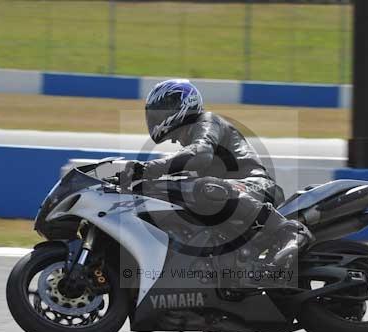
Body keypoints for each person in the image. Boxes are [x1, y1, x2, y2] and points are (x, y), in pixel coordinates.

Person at [122, 79, 313, 277]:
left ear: (181, 105)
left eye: (162, 110)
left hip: (257, 186)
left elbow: (201, 153)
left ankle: (288, 230)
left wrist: (149, 168)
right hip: (232, 193)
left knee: (205, 188)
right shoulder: (189, 141)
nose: (156, 117)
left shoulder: (207, 121)